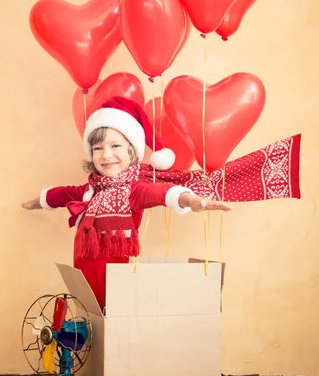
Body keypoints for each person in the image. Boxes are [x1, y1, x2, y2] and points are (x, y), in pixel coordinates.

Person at [22, 97, 231, 310]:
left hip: (114, 283)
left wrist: (189, 199)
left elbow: (160, 192)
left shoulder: (134, 189)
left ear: (131, 151)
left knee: (109, 324)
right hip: (83, 279)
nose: (106, 155)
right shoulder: (92, 189)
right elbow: (62, 194)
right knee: (88, 321)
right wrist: (36, 202)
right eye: (97, 148)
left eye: (115, 145)